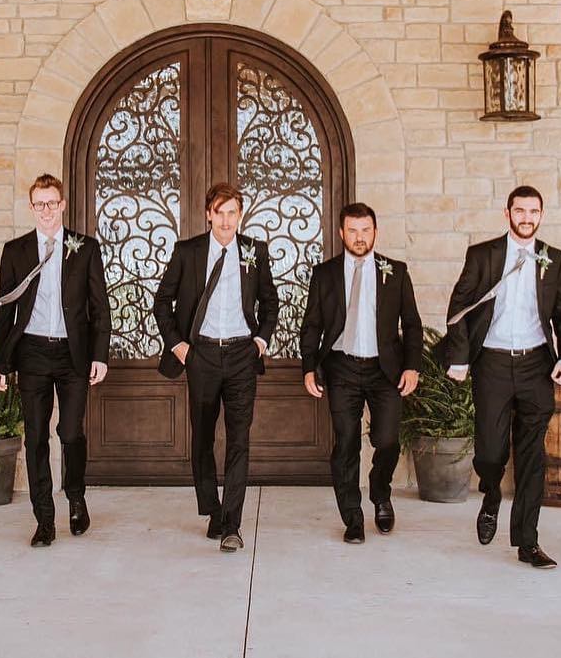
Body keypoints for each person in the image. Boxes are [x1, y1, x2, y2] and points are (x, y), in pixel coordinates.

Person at [441, 186, 561, 568]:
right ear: (507, 214)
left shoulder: (554, 259)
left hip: (536, 364)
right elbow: (459, 307)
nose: (527, 217)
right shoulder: (483, 255)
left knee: (533, 456)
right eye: (520, 211)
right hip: (494, 364)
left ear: (541, 215)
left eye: (534, 211)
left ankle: (527, 542)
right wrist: (461, 358)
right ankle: (490, 493)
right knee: (490, 451)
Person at [153, 183, 279, 553]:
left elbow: (270, 302)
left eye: (232, 213)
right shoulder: (187, 252)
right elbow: (163, 302)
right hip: (201, 355)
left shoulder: (256, 252)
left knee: (239, 439)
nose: (226, 220)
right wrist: (179, 347)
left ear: (240, 215)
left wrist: (260, 341)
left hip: (242, 354)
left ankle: (232, 523)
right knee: (203, 436)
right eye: (219, 212)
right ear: (208, 214)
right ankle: (212, 508)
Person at [0, 174, 112, 547]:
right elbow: (4, 310)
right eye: (38, 204)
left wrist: (100, 355)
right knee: (36, 437)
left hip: (72, 353)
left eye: (51, 203)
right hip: (31, 353)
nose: (45, 210)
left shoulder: (85, 248)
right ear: (32, 208)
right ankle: (44, 518)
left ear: (61, 205)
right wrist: (0, 362)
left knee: (70, 432)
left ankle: (75, 496)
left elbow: (99, 307)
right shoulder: (15, 251)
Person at [299, 202, 422, 543]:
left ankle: (380, 493)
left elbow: (411, 325)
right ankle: (352, 517)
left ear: (375, 233)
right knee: (346, 444)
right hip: (342, 368)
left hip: (385, 371)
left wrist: (412, 366)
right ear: (341, 233)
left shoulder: (395, 272)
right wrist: (309, 367)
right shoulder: (324, 274)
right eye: (352, 231)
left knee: (387, 440)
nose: (359, 237)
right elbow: (311, 326)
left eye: (365, 230)